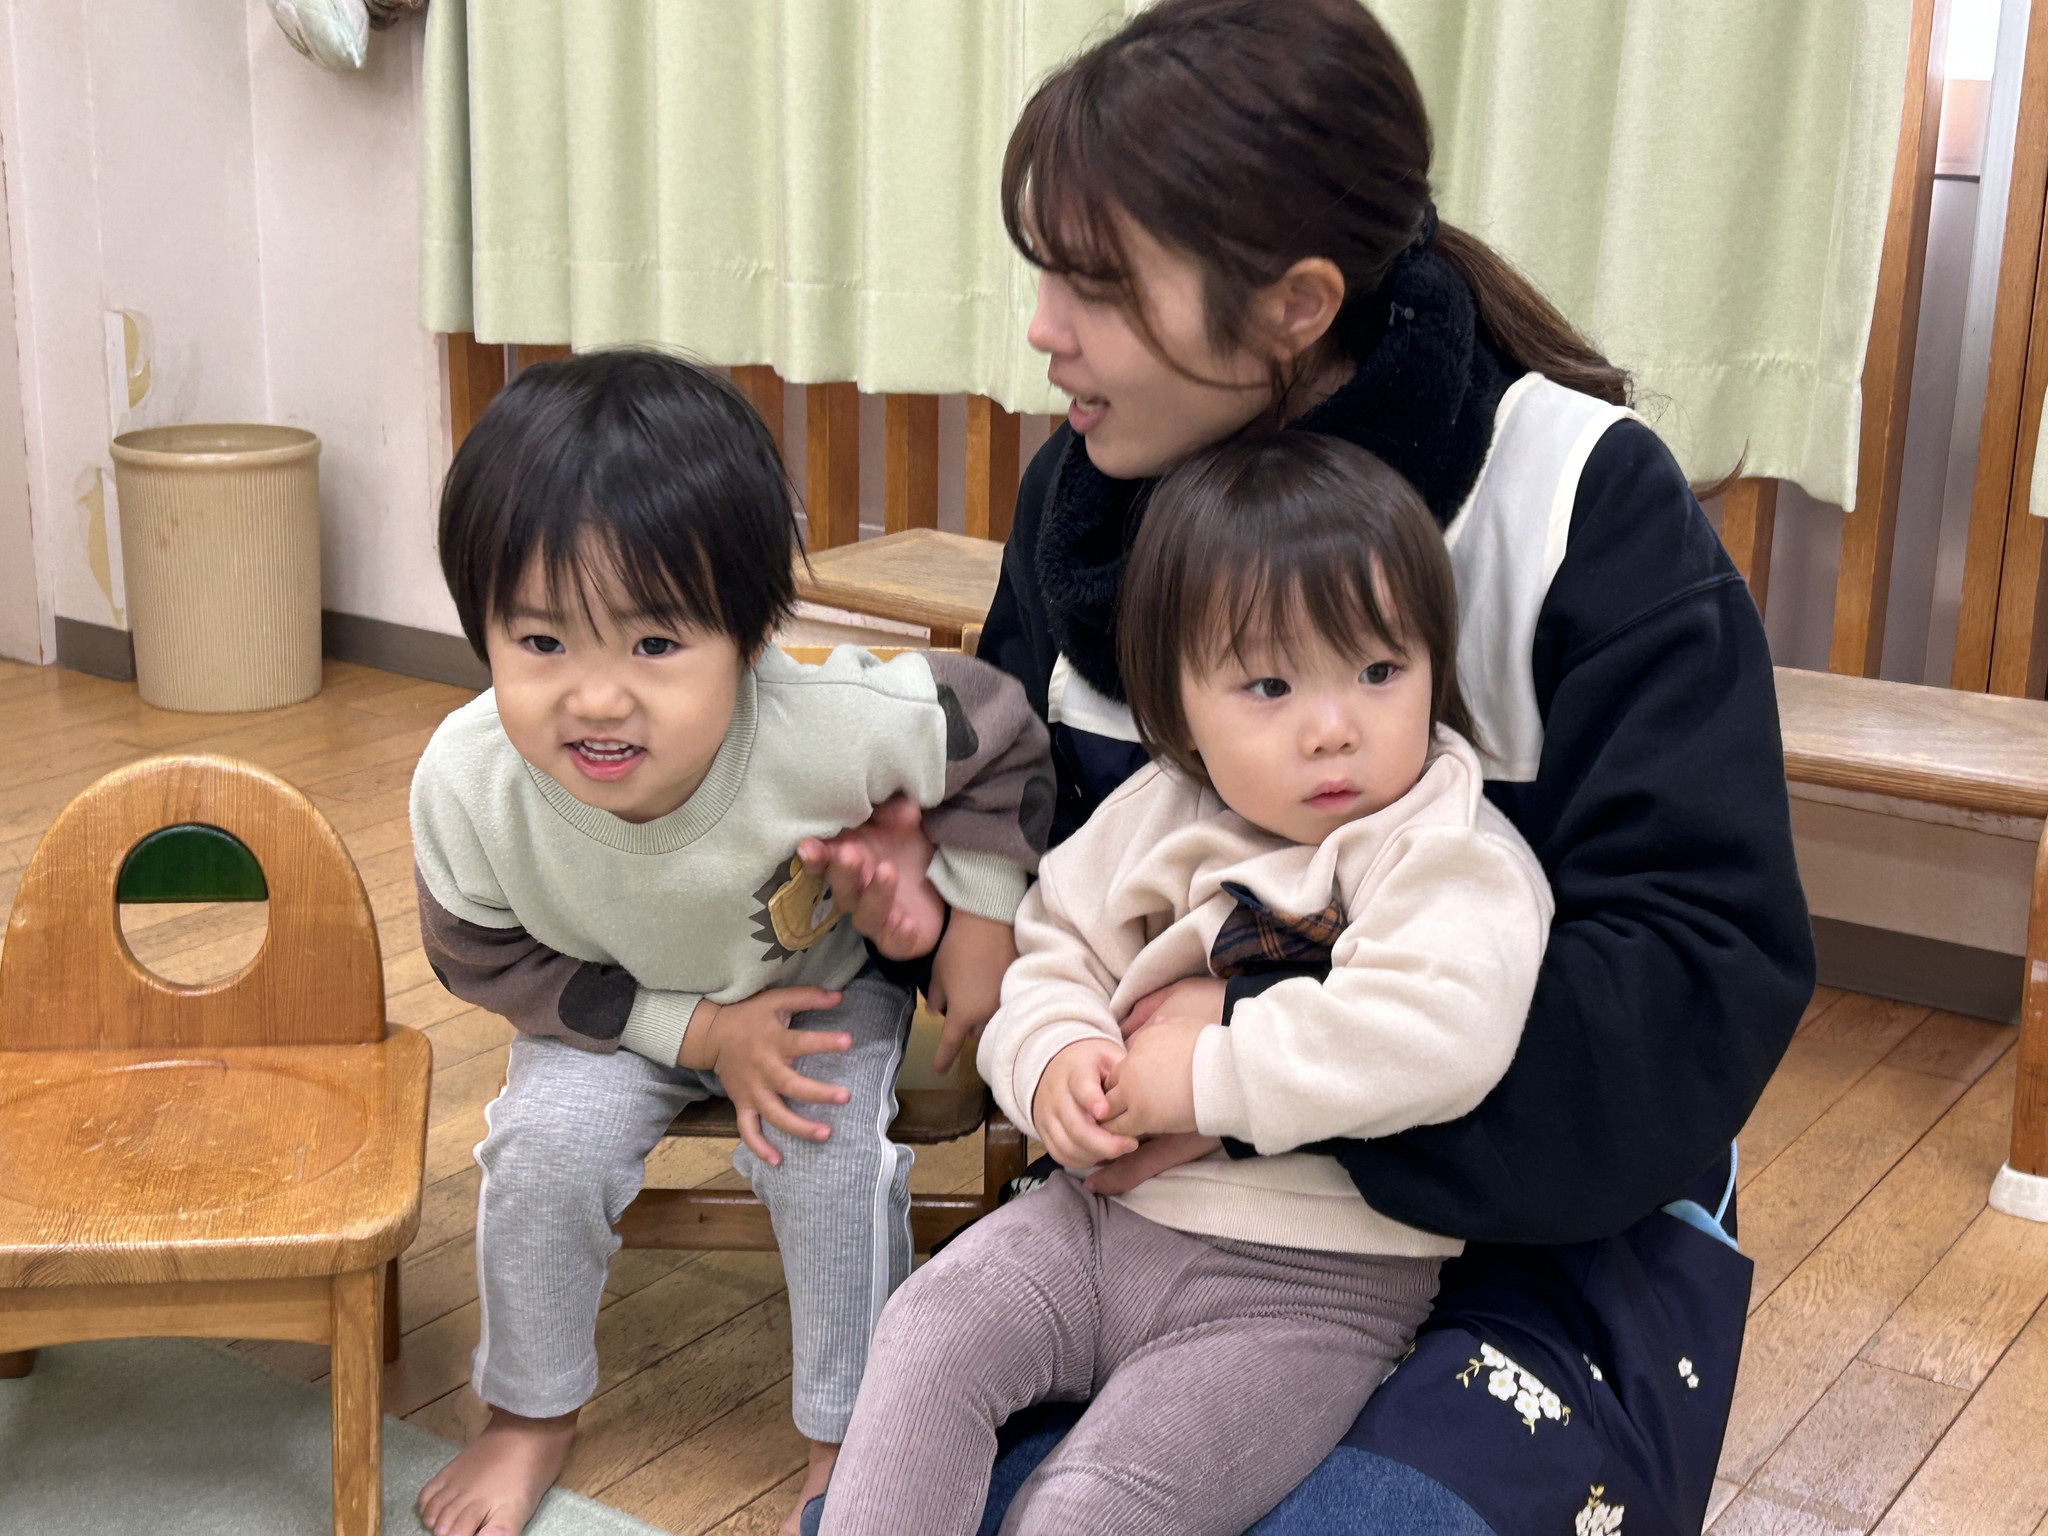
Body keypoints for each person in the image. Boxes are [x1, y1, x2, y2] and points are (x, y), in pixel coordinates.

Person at [806, 1, 1811, 1531]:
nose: (1043, 330)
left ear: (1294, 305)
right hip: (1160, 1208)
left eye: (1098, 287)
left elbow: (1691, 984)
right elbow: (1039, 894)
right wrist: (941, 916)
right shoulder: (1089, 502)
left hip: (1535, 1223)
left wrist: (1243, 1064)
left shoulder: (1576, 504)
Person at [819, 434, 1553, 1536]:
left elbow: (1440, 1028)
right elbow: (1050, 951)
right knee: (928, 1329)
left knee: (1090, 1510)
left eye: (1378, 672)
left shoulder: (1442, 845)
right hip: (1091, 1225)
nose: (1332, 729)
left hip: (1306, 1289)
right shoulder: (1158, 811)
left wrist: (1201, 1077)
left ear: (1433, 667)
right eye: (1269, 685)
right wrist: (1054, 1060)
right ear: (1181, 705)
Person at [406, 349, 1054, 1536]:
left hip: (812, 992)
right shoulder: (467, 781)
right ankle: (527, 1412)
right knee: (541, 1152)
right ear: (479, 628)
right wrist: (697, 1032)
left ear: (750, 635)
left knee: (830, 1163)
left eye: (654, 645)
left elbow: (999, 733)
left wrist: (978, 915)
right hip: (610, 1010)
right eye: (541, 643)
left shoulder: (831, 725)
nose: (596, 698)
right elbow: (481, 956)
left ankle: (847, 1435)